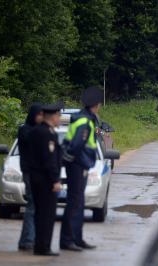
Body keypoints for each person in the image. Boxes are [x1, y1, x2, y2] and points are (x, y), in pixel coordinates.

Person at [60, 86, 103, 251]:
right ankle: (67, 240)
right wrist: (77, 161)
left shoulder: (81, 118)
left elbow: (68, 142)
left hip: (77, 164)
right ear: (96, 105)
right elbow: (77, 144)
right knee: (74, 203)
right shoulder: (85, 121)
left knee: (79, 203)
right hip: (78, 165)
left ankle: (77, 239)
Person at [29, 102, 63, 256]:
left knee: (39, 213)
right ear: (54, 116)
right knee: (47, 214)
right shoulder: (48, 134)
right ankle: (44, 247)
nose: (60, 119)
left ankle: (39, 245)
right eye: (59, 116)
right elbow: (50, 160)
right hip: (45, 180)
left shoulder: (36, 131)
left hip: (36, 178)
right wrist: (55, 180)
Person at [18, 103, 44, 251]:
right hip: (29, 172)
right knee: (32, 206)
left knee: (34, 206)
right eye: (39, 115)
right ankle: (28, 240)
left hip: (37, 172)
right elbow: (33, 141)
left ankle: (27, 240)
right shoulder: (25, 130)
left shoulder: (36, 130)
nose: (42, 118)